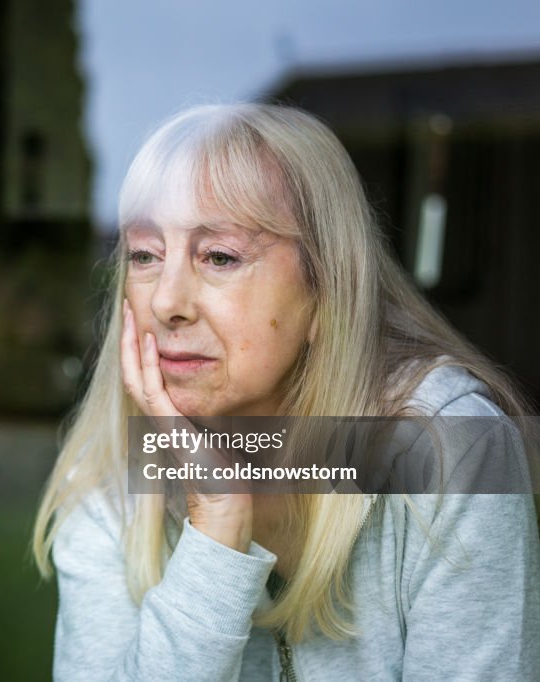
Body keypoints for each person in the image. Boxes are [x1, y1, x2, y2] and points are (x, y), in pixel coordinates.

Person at [31, 103, 540, 680]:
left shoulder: (450, 451)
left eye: (219, 256)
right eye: (145, 255)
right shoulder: (109, 476)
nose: (166, 302)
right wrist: (215, 528)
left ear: (326, 291)